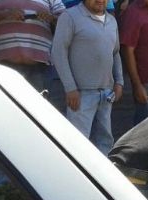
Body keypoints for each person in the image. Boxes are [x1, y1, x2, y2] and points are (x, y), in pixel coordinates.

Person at [51, 0, 123, 154]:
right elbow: (58, 52)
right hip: (81, 94)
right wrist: (70, 88)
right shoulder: (69, 16)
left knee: (105, 143)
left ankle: (100, 177)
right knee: (77, 146)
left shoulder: (111, 20)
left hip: (106, 93)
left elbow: (115, 52)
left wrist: (120, 81)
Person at [0, 0, 64, 91]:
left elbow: (66, 20)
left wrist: (51, 18)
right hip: (1, 68)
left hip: (41, 68)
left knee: (36, 105)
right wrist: (3, 14)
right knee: (4, 105)